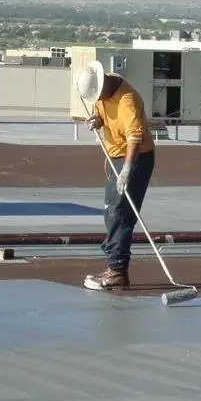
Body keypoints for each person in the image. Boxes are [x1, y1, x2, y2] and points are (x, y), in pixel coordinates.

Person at [75, 60, 156, 291]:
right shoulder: (103, 91)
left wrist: (128, 170)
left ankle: (117, 271)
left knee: (120, 212)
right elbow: (101, 111)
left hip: (135, 158)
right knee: (111, 212)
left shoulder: (127, 100)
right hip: (115, 157)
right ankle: (114, 266)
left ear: (104, 85)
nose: (97, 100)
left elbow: (134, 138)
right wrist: (97, 120)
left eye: (98, 95)